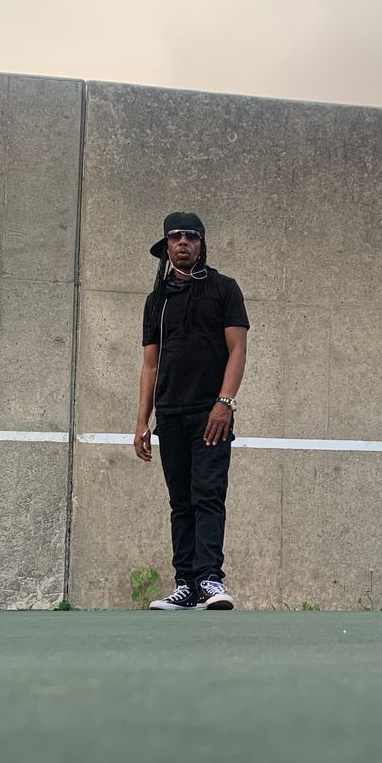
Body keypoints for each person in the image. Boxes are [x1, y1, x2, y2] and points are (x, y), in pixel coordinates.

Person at [134, 212, 249, 610]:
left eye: (191, 236)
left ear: (201, 244)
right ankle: (185, 584)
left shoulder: (223, 289)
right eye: (175, 237)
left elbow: (238, 349)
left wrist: (224, 403)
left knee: (208, 495)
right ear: (166, 246)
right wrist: (142, 421)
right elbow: (150, 364)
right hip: (169, 414)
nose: (183, 242)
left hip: (210, 413)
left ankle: (210, 581)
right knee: (180, 500)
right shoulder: (157, 300)